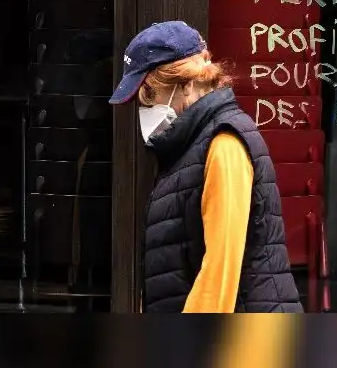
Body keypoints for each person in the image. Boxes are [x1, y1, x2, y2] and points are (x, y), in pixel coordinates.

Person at [109, 21, 303, 313]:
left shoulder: (224, 143)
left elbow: (219, 272)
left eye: (149, 95)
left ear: (186, 84)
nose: (145, 107)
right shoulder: (188, 147)